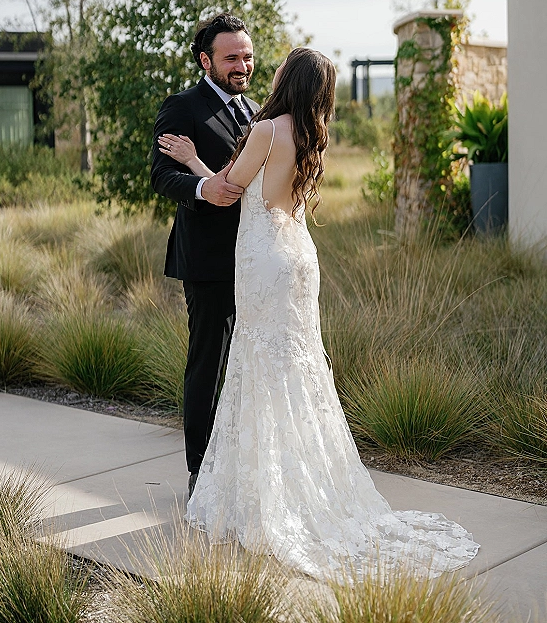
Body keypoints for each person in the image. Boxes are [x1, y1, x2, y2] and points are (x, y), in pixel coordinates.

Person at [158, 47, 479, 581]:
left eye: (280, 66)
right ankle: (310, 480)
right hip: (299, 258)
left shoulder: (267, 127)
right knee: (299, 367)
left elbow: (232, 189)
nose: (271, 70)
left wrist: (193, 160)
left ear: (292, 78)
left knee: (262, 365)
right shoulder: (312, 133)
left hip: (264, 258)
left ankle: (270, 495)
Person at [150, 13, 260, 499]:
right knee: (208, 364)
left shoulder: (255, 111)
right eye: (231, 57)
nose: (242, 65)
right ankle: (200, 472)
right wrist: (200, 185)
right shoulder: (182, 107)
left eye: (247, 56)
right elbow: (159, 176)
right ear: (206, 60)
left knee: (244, 364)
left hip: (256, 259)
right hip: (209, 262)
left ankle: (233, 460)